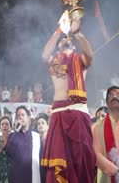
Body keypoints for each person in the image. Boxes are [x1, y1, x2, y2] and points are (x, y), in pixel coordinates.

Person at [41, 11, 95, 182]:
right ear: (58, 47)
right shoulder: (55, 62)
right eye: (63, 41)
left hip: (78, 113)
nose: (66, 40)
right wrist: (59, 31)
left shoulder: (80, 61)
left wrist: (77, 33)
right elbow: (44, 55)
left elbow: (90, 55)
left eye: (69, 41)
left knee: (81, 162)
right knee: (58, 168)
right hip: (58, 114)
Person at [5, 106, 41, 183]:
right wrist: (16, 131)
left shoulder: (36, 136)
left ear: (28, 118)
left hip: (32, 176)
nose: (20, 117)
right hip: (16, 177)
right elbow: (9, 152)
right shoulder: (12, 135)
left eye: (22, 115)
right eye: (18, 116)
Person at [92, 86, 119, 183]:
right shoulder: (97, 127)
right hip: (107, 176)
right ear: (107, 102)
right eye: (111, 95)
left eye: (117, 94)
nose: (114, 97)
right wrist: (114, 170)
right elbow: (95, 153)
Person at [0, 116, 12, 183]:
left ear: (10, 127)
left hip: (11, 174)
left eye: (7, 124)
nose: (4, 126)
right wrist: (1, 147)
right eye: (2, 124)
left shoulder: (13, 139)